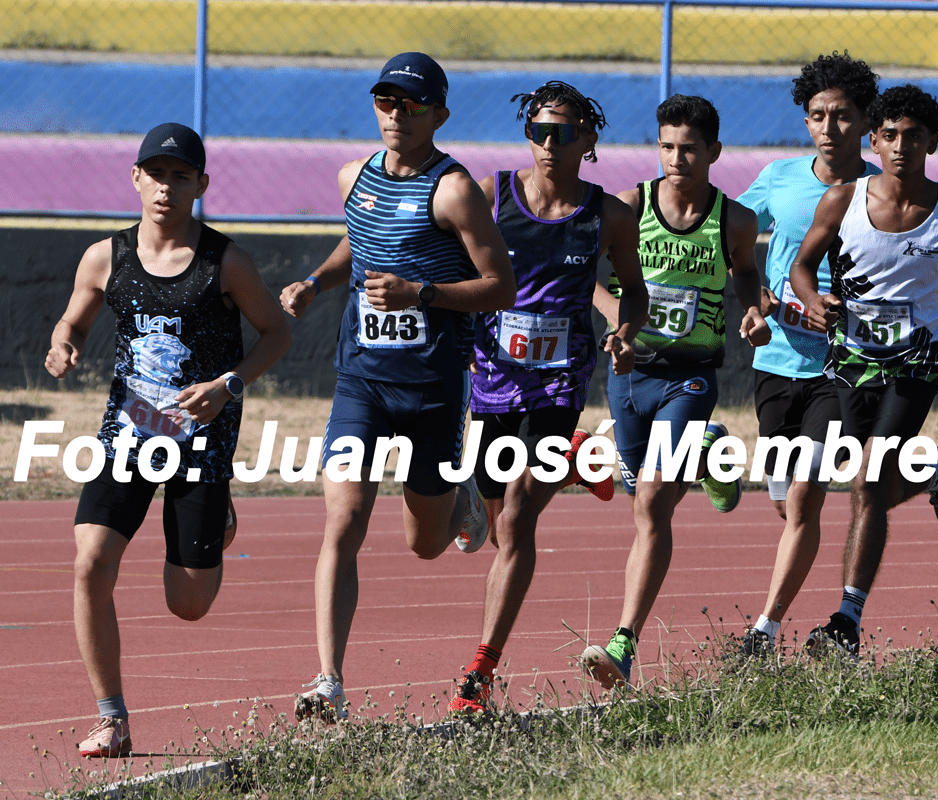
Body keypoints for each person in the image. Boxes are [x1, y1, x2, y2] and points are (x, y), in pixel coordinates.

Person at [277, 52, 516, 721]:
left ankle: (463, 500)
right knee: (344, 522)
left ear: (437, 114)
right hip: (362, 382)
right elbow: (359, 238)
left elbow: (502, 285)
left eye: (410, 106)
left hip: (433, 388)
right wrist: (316, 283)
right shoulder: (355, 176)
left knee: (423, 542)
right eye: (386, 101)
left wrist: (423, 292)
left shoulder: (455, 190)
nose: (395, 115)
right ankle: (329, 680)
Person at [46, 122, 292, 757]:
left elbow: (277, 333)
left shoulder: (226, 262)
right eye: (156, 173)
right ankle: (111, 718)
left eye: (181, 176)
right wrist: (63, 342)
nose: (166, 186)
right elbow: (75, 313)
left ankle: (222, 513)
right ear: (136, 179)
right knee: (90, 562)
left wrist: (228, 386)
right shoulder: (106, 256)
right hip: (126, 435)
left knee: (188, 604)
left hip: (200, 442)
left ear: (201, 185)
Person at [791, 84, 938, 659]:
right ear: (874, 140)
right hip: (852, 359)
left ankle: (846, 621)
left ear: (932, 142)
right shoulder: (841, 201)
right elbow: (801, 266)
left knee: (866, 481)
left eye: (913, 136)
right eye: (889, 135)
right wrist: (813, 300)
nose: (900, 146)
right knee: (861, 479)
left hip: (919, 361)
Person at [447, 81, 648, 714]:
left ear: (588, 141)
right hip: (493, 379)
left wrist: (625, 329)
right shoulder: (490, 195)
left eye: (564, 133)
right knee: (494, 515)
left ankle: (481, 669)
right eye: (538, 131)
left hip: (559, 380)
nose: (549, 144)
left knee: (518, 515)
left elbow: (634, 291)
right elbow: (452, 265)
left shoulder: (610, 215)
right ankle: (579, 458)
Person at [582, 94, 771, 689]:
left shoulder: (736, 220)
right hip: (628, 373)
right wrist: (620, 323)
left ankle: (624, 641)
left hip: (690, 376)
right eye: (666, 146)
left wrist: (755, 312)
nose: (676, 158)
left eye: (689, 148)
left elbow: (745, 274)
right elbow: (591, 277)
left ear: (714, 151)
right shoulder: (630, 206)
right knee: (640, 494)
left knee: (652, 503)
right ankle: (710, 454)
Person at [733, 52, 881, 658]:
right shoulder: (780, 178)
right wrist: (754, 293)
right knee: (784, 500)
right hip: (778, 361)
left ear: (865, 120)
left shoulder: (881, 189)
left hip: (841, 367)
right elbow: (730, 231)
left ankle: (763, 632)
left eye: (842, 116)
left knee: (804, 495)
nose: (829, 127)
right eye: (818, 115)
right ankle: (933, 470)